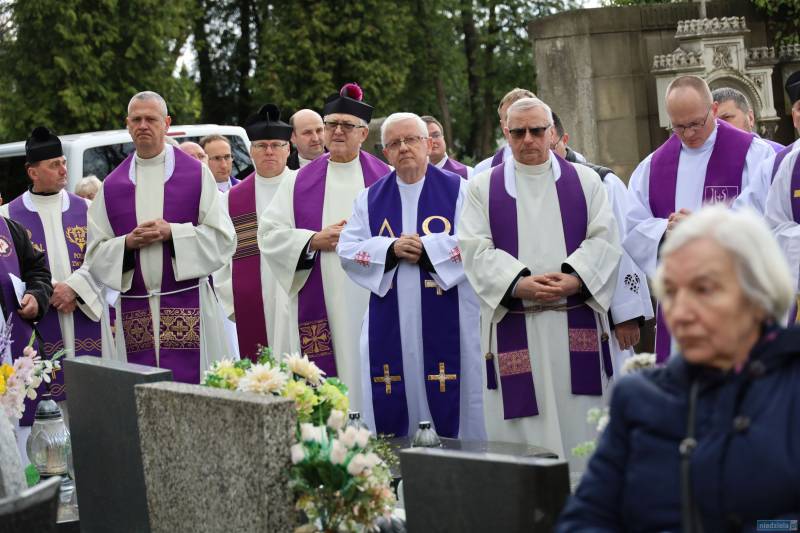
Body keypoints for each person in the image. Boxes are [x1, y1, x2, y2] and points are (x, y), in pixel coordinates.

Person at [557, 205, 800, 532]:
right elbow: (587, 519)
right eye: (670, 292)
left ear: (757, 294)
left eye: (703, 289)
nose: (681, 313)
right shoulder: (639, 398)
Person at [458, 97, 621, 474]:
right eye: (518, 132)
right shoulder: (482, 187)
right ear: (506, 133)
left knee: (579, 422)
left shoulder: (586, 182)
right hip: (517, 324)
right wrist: (519, 283)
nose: (528, 139)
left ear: (552, 133)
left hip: (573, 319)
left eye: (536, 130)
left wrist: (575, 277)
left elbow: (606, 239)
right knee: (524, 432)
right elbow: (473, 248)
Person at [338, 112, 485, 439]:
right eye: (394, 143)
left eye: (411, 140)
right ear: (385, 151)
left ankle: (461, 471)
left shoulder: (461, 190)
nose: (404, 148)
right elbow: (348, 249)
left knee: (455, 402)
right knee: (396, 396)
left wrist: (429, 249)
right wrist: (390, 250)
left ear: (428, 144)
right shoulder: (369, 198)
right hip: (391, 324)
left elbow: (478, 241)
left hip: (452, 320)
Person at [86, 91, 236, 383]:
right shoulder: (112, 185)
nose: (143, 125)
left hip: (189, 303)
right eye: (136, 119)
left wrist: (174, 233)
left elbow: (222, 238)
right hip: (136, 309)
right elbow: (95, 253)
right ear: (127, 124)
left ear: (166, 123)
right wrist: (127, 243)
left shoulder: (196, 175)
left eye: (151, 119)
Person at [259, 83, 390, 411]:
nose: (337, 132)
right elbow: (270, 234)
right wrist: (312, 240)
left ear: (363, 133)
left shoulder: (385, 178)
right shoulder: (297, 181)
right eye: (331, 124)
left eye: (347, 126)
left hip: (372, 296)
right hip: (322, 295)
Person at [625, 75, 773, 362]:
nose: (689, 133)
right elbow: (632, 227)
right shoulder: (652, 167)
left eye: (696, 123)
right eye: (679, 126)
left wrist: (702, 228)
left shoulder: (753, 155)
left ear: (713, 110)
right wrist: (666, 230)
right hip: (682, 299)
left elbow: (766, 214)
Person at [1, 127, 112, 417]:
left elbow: (105, 258)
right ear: (32, 172)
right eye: (54, 165)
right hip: (38, 328)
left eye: (63, 162)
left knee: (92, 407)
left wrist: (76, 288)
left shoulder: (88, 208)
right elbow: (11, 272)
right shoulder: (8, 218)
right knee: (47, 414)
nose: (64, 170)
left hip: (84, 315)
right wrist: (44, 293)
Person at [551, 112, 653, 371]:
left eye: (552, 147)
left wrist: (627, 314)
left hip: (601, 313)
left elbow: (625, 247)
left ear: (564, 139)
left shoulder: (603, 182)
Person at [214, 104, 297, 359]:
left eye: (276, 145)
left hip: (300, 292)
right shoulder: (231, 200)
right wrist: (237, 302)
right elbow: (220, 257)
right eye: (261, 145)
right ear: (251, 151)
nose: (269, 151)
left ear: (288, 149)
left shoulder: (306, 187)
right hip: (255, 300)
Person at [472, 88, 536, 175]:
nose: (519, 124)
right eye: (510, 118)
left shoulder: (556, 165)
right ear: (503, 126)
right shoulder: (483, 171)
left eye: (526, 115)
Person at [712, 86, 783, 152]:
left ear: (750, 117)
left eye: (727, 118)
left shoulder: (778, 155)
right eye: (713, 122)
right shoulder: (704, 160)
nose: (719, 126)